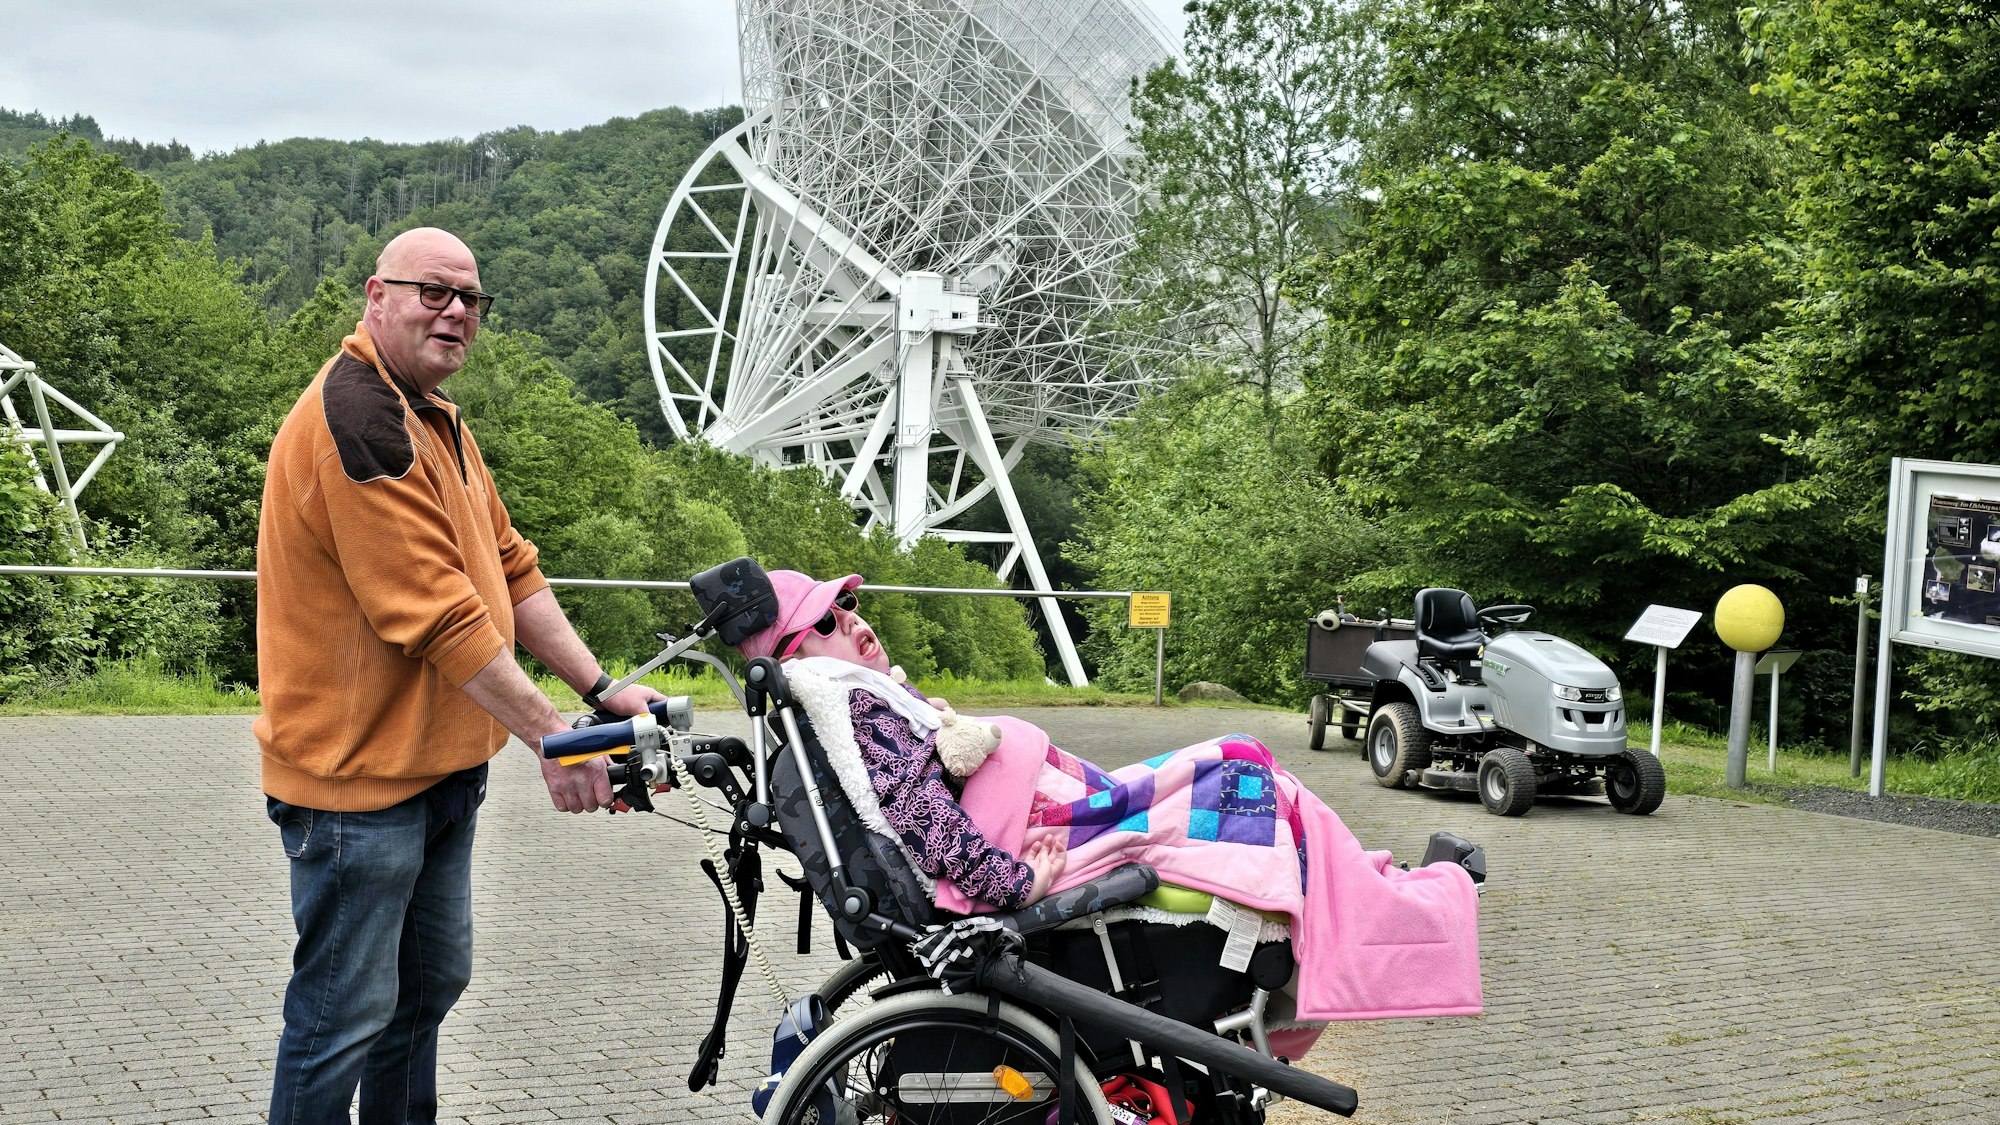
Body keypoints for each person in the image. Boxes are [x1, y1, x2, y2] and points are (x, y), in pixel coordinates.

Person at [254, 227, 664, 1125]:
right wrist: (553, 733)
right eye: (431, 291)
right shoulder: (360, 420)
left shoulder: (429, 411)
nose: (454, 312)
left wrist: (600, 691)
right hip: (356, 789)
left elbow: (507, 567)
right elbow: (437, 612)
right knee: (340, 1018)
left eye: (469, 298)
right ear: (376, 295)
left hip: (437, 773)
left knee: (424, 990)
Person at [737, 569, 1067, 908]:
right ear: (795, 664)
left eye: (844, 603)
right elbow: (921, 812)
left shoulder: (869, 698)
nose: (850, 619)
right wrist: (1013, 885)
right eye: (824, 623)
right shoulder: (859, 710)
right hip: (1019, 841)